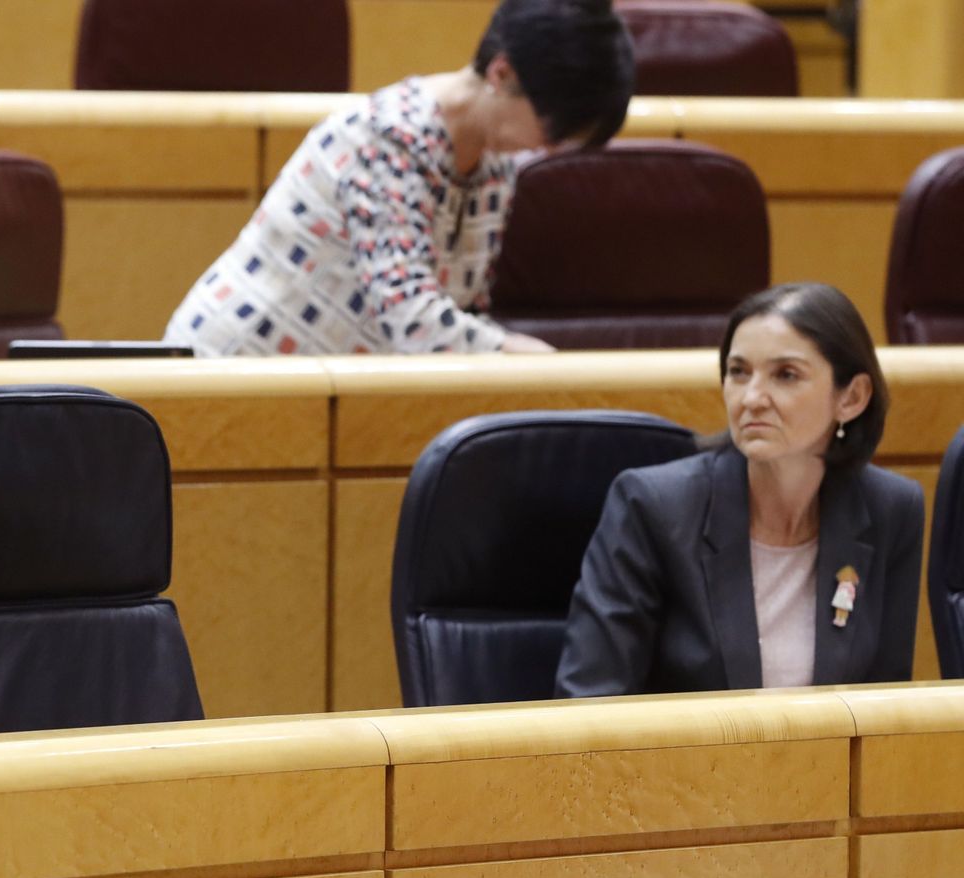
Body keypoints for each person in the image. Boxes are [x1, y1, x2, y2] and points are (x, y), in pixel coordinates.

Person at [162, 0, 633, 358]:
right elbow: (410, 317)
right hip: (234, 363)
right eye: (554, 129)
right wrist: (522, 354)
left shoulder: (496, 163)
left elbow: (463, 310)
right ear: (502, 72)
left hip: (327, 384)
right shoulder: (387, 137)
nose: (551, 150)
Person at [556, 282, 925, 697]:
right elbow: (590, 702)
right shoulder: (653, 507)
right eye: (739, 372)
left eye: (786, 375)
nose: (752, 398)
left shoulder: (891, 509)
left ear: (852, 398)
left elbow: (886, 708)